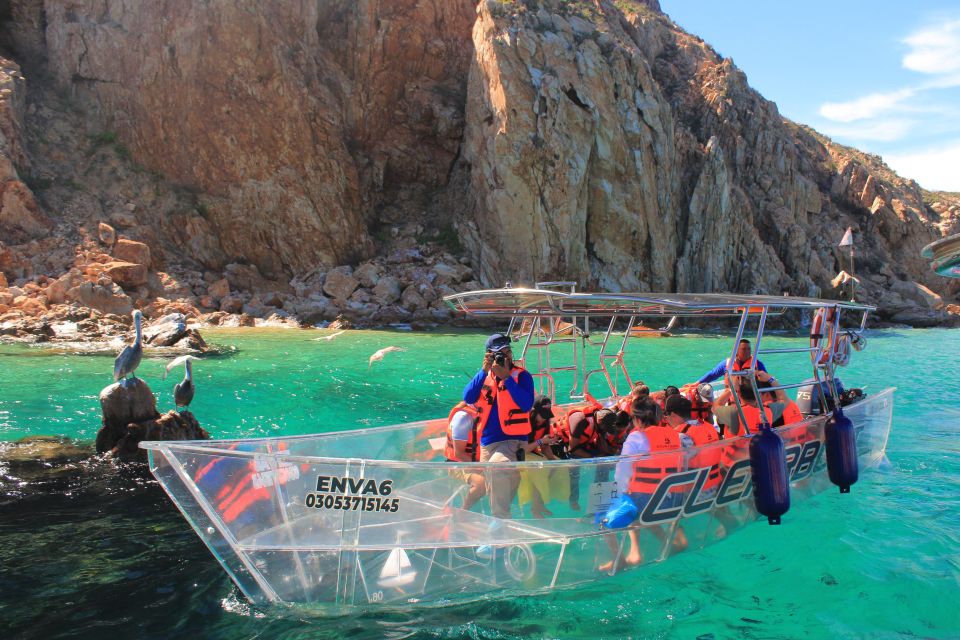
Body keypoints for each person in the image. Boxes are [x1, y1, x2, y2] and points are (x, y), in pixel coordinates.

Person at [463, 333, 534, 519]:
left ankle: (499, 522)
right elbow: (468, 397)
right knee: (493, 482)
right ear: (490, 356)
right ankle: (501, 521)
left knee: (497, 469)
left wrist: (506, 378)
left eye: (508, 351)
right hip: (488, 441)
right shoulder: (485, 377)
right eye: (500, 353)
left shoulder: (522, 376)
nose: (506, 356)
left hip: (512, 439)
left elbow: (526, 404)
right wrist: (483, 370)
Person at [518, 395, 565, 518]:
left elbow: (544, 445)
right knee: (541, 471)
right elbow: (521, 450)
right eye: (542, 415)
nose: (545, 419)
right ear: (534, 412)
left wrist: (552, 459)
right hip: (520, 455)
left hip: (532, 452)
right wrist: (541, 442)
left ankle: (540, 503)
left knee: (558, 466)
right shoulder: (525, 422)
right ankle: (535, 509)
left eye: (547, 415)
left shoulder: (545, 423)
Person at [444, 402, 486, 510]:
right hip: (458, 464)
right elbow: (459, 454)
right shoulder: (462, 418)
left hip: (480, 461)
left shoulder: (487, 413)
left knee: (510, 476)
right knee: (482, 484)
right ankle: (464, 510)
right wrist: (483, 467)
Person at [697, 339, 767, 384]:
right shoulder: (727, 363)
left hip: (751, 400)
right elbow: (712, 374)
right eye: (744, 349)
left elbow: (767, 379)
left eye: (749, 349)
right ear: (736, 350)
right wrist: (697, 383)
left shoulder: (758, 364)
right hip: (733, 400)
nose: (747, 351)